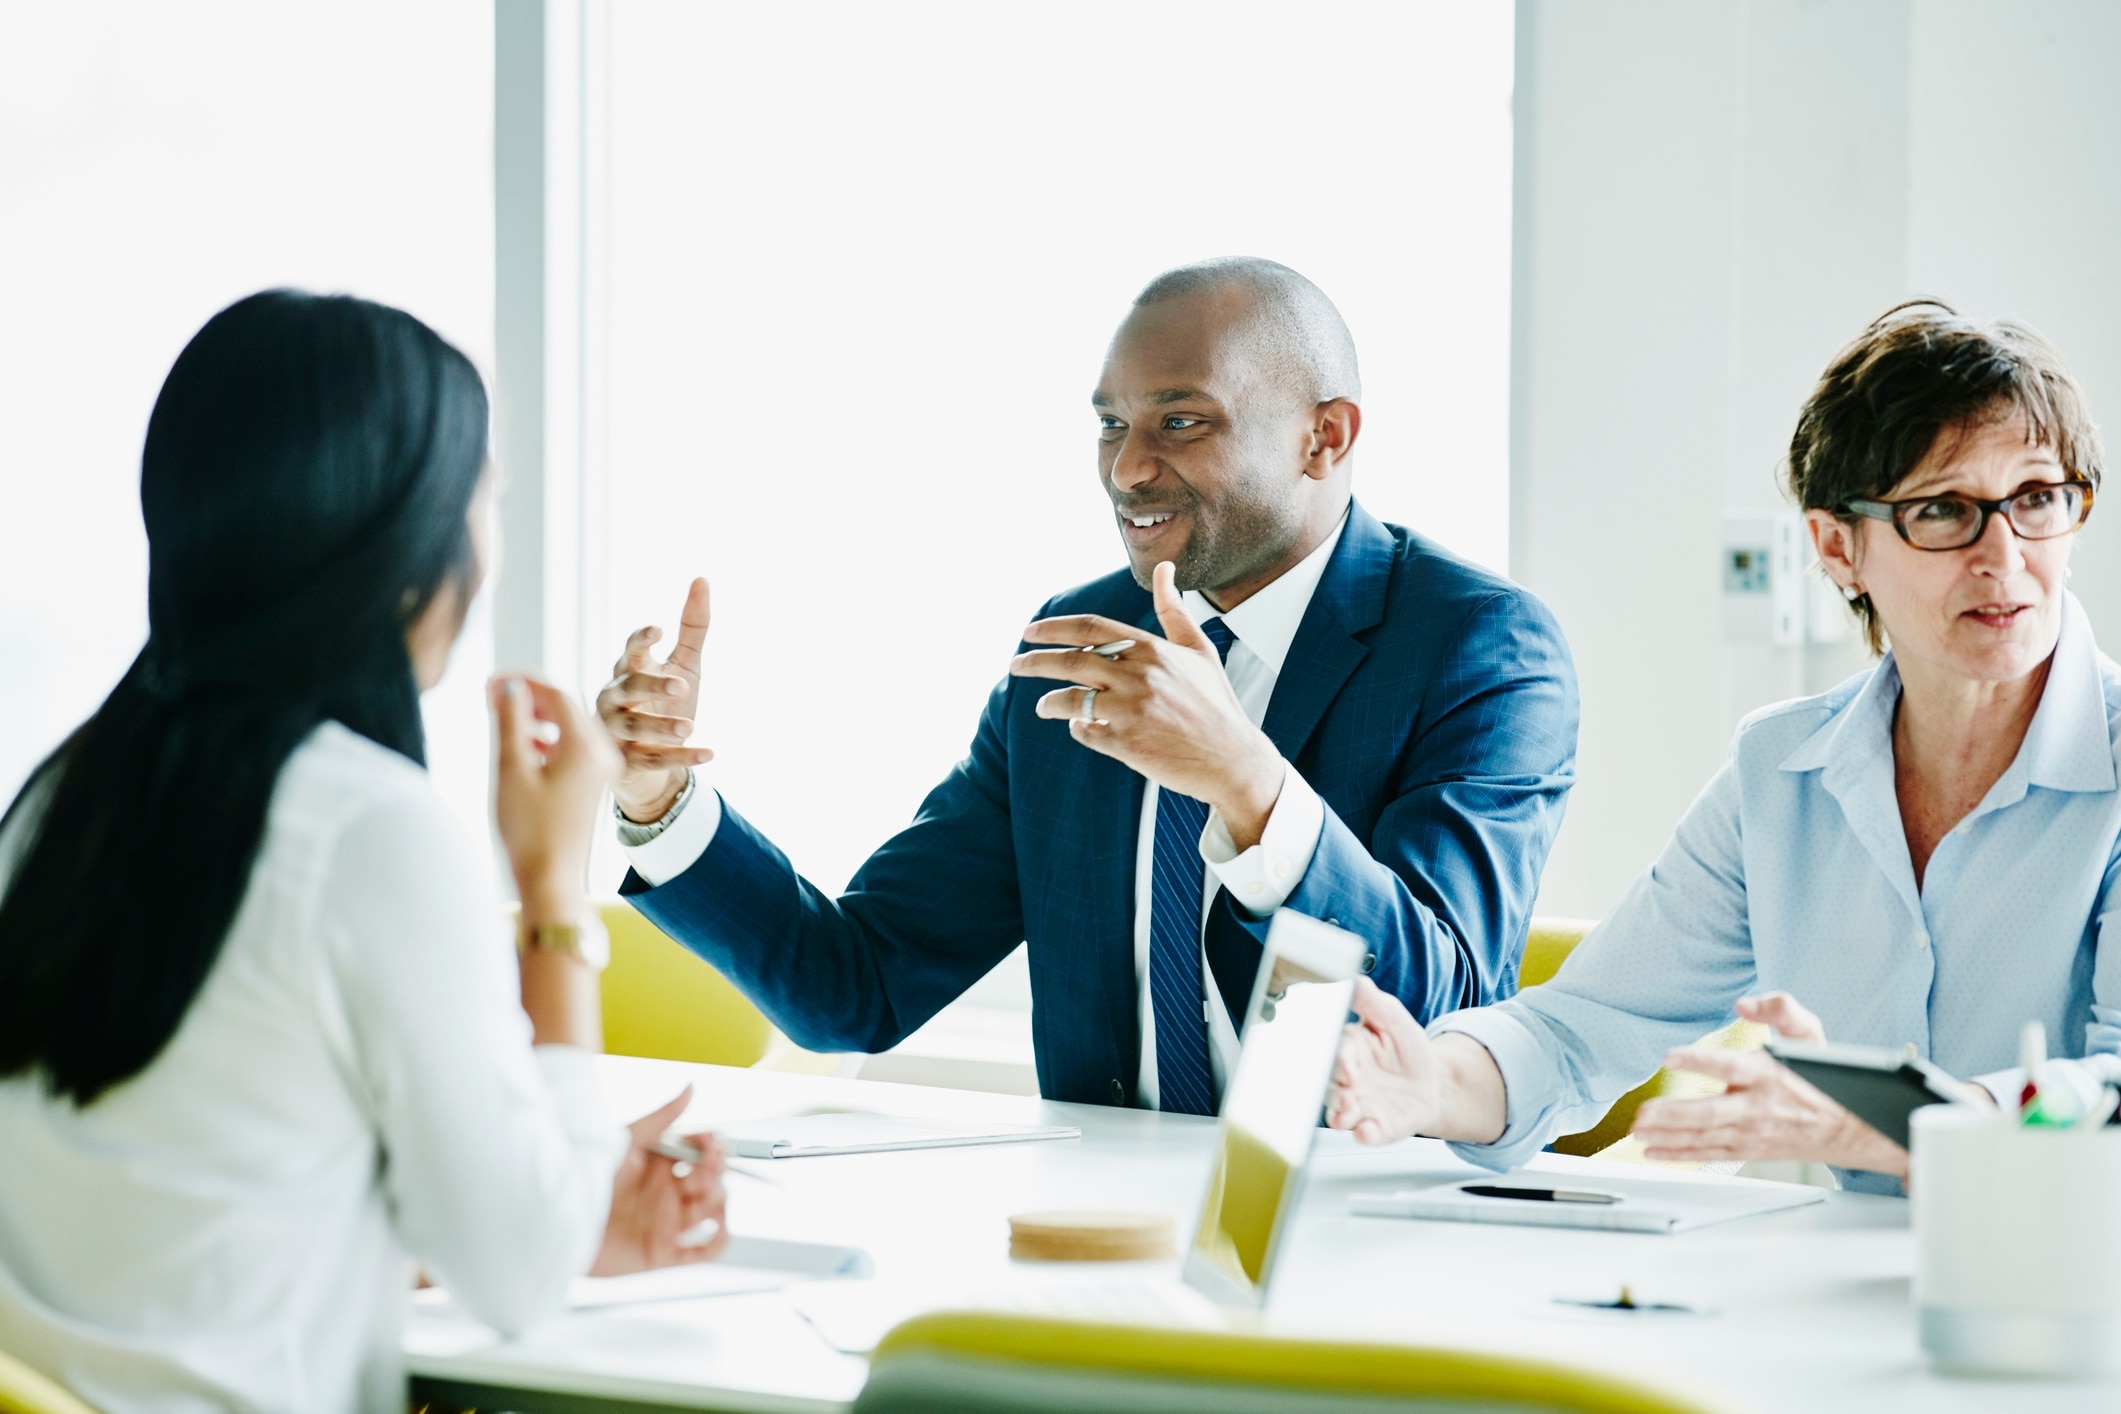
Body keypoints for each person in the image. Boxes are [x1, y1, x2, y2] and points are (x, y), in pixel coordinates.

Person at [596, 257, 1579, 1113]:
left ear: (1325, 437)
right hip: (1105, 1230)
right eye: (1111, 423)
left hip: (1365, 1233)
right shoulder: (1077, 647)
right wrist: (663, 803)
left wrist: (1249, 785)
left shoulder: (1480, 647)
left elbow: (1442, 1014)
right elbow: (854, 988)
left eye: (1181, 421)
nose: (1129, 467)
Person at [0, 291, 728, 1413]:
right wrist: (549, 886)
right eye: (482, 503)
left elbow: (181, 1217)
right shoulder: (369, 827)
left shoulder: (61, 800)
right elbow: (522, 1279)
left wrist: (556, 1193)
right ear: (406, 542)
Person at [1327, 301, 2116, 1195]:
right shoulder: (1780, 771)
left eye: (2037, 499)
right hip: (1819, 1291)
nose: (2003, 554)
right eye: (1941, 511)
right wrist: (1431, 1080)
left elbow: (2111, 1095)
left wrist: (1883, 1122)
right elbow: (1581, 1027)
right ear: (1835, 547)